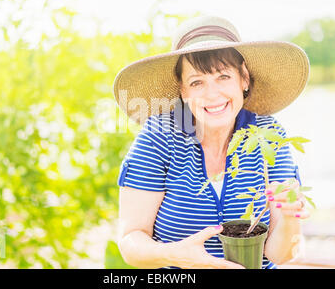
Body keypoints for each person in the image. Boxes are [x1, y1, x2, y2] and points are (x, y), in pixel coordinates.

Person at [113, 16, 310, 269]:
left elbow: (280, 255)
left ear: (244, 79)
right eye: (197, 82)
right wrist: (175, 255)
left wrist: (290, 217)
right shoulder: (158, 136)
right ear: (183, 91)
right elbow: (131, 242)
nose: (212, 94)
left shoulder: (267, 133)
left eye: (223, 77)